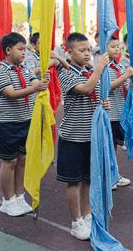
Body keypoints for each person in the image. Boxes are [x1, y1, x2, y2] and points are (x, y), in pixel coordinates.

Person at [57, 32, 110, 241]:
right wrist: (100, 67)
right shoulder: (67, 73)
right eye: (82, 50)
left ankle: (87, 215)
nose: (88, 54)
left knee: (88, 179)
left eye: (89, 50)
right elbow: (86, 89)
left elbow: (94, 95)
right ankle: (76, 221)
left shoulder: (89, 71)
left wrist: (103, 104)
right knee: (74, 182)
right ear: (69, 52)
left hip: (91, 136)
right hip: (73, 136)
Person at [0, 32, 48, 216]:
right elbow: (10, 93)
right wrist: (34, 87)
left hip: (26, 120)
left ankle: (19, 195)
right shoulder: (0, 70)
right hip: (8, 123)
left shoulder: (23, 67)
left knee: (23, 160)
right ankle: (7, 200)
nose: (24, 52)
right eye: (20, 49)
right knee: (9, 161)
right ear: (8, 50)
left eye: (25, 49)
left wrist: (42, 81)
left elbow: (34, 81)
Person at [107, 35, 133, 188]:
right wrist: (126, 76)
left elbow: (124, 83)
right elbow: (107, 87)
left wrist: (131, 85)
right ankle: (108, 176)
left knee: (115, 145)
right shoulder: (103, 67)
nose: (116, 49)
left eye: (118, 46)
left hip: (119, 112)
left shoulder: (118, 66)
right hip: (109, 113)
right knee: (108, 145)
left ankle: (114, 173)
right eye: (112, 46)